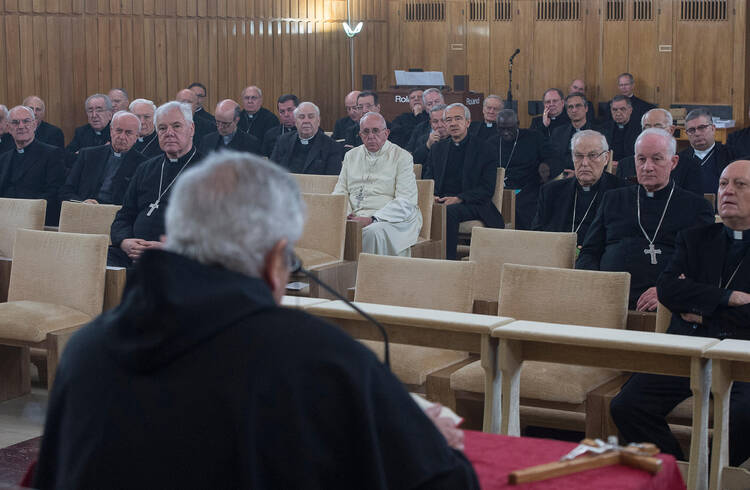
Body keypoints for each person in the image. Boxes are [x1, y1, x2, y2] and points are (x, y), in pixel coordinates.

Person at [33, 150, 478, 490]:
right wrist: (430, 441)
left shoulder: (87, 350)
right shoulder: (323, 361)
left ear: (170, 237)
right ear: (275, 258)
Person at [610, 160, 750, 467]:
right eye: (724, 183)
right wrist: (728, 298)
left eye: (740, 184)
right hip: (687, 349)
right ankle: (673, 470)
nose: (728, 191)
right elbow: (668, 289)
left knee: (743, 416)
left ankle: (712, 476)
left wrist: (701, 310)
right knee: (627, 405)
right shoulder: (696, 238)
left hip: (744, 359)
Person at [576, 129, 714, 310]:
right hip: (607, 301)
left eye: (656, 159)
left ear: (673, 162)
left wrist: (669, 290)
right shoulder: (613, 199)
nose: (647, 167)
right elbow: (589, 252)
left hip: (666, 305)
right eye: (641, 159)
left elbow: (703, 265)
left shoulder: (697, 207)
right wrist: (597, 285)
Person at [108, 101, 204, 268]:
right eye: (162, 128)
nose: (169, 133)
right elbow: (124, 216)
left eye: (176, 126)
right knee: (92, 260)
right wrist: (125, 242)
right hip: (134, 254)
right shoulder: (146, 168)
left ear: (192, 129)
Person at [333, 112, 422, 256]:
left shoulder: (402, 157)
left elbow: (406, 200)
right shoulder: (351, 156)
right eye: (366, 132)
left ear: (386, 133)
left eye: (375, 131)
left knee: (372, 232)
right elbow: (340, 191)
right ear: (360, 135)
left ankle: (369, 277)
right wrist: (347, 215)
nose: (371, 136)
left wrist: (373, 219)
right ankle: (338, 277)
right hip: (354, 216)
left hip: (390, 219)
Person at [424, 103, 503, 260]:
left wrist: (459, 198)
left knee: (448, 212)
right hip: (441, 200)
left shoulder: (485, 149)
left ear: (468, 122)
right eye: (448, 120)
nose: (453, 123)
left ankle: (449, 262)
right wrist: (430, 195)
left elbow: (487, 189)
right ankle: (423, 257)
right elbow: (428, 179)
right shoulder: (437, 149)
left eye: (458, 118)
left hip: (473, 203)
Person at [533, 130, 625, 245]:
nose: (585, 163)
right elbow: (537, 235)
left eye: (592, 155)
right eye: (578, 156)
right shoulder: (551, 192)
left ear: (606, 158)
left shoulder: (622, 192)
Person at [59, 111, 147, 204]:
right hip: (85, 211)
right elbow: (66, 191)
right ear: (111, 130)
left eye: (128, 133)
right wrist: (83, 203)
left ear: (137, 136)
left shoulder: (143, 165)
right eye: (119, 130)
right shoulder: (88, 155)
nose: (122, 137)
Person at [0, 105, 65, 225]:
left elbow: (54, 192)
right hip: (5, 219)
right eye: (15, 122)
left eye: (26, 121)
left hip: (37, 219)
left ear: (34, 125)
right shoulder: (4, 158)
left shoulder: (52, 154)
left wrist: (25, 210)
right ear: (8, 128)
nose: (21, 126)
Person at [616, 109, 703, 194]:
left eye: (658, 127)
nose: (652, 132)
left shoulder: (690, 166)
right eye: (647, 127)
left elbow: (691, 202)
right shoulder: (624, 165)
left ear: (671, 130)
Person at [488, 109, 547, 230]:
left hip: (527, 188)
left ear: (518, 124)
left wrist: (547, 165)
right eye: (501, 129)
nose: (505, 133)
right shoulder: (490, 143)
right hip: (496, 190)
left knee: (522, 207)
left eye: (509, 128)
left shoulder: (534, 138)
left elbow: (553, 156)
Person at [270, 102, 342, 175]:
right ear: (295, 122)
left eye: (311, 117)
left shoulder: (331, 146)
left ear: (318, 121)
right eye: (301, 117)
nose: (306, 121)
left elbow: (331, 179)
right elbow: (271, 171)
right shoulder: (283, 141)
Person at [677, 108, 735, 196]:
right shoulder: (679, 159)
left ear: (713, 129)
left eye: (701, 128)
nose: (697, 133)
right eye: (691, 130)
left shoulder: (730, 155)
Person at [545, 92, 597, 178]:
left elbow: (598, 161)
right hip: (562, 177)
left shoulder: (597, 133)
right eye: (570, 107)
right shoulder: (558, 132)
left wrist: (577, 174)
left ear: (586, 108)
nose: (574, 110)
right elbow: (552, 158)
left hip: (589, 177)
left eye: (578, 106)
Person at [66, 94, 113, 166]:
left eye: (99, 110)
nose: (94, 115)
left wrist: (83, 154)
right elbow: (68, 157)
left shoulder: (116, 132)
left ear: (110, 114)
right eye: (90, 111)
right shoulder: (81, 132)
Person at [599, 95, 641, 163]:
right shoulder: (603, 129)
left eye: (622, 109)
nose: (618, 113)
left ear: (630, 110)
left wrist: (621, 164)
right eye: (614, 110)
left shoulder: (639, 129)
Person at [406, 88, 446, 154]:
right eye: (429, 104)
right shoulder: (420, 128)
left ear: (443, 102)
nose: (434, 105)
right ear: (426, 109)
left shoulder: (453, 124)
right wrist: (427, 145)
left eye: (437, 101)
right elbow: (409, 152)